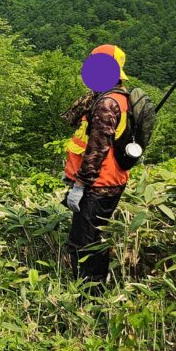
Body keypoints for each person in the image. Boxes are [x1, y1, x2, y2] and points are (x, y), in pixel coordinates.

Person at [63, 44, 131, 293]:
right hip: (105, 181)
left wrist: (80, 185)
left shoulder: (107, 104)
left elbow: (97, 149)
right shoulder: (110, 98)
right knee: (94, 239)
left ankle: (88, 297)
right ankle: (96, 292)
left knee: (84, 244)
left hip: (98, 185)